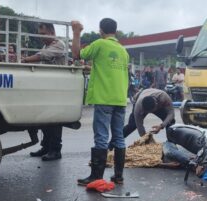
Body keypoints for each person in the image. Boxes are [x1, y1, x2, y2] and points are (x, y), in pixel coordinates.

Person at [71, 18, 129, 185]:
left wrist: (76, 33)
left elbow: (76, 55)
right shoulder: (123, 51)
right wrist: (92, 68)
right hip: (120, 99)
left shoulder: (100, 44)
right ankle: (118, 176)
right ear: (115, 31)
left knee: (101, 137)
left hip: (104, 98)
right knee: (118, 137)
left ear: (101, 31)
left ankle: (96, 176)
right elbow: (111, 70)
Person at [23, 23, 66, 161]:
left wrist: (25, 60)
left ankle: (55, 150)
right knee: (45, 119)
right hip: (48, 88)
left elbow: (42, 56)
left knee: (55, 120)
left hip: (58, 88)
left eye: (43, 34)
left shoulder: (59, 44)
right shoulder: (45, 46)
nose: (41, 37)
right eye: (39, 34)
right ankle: (46, 147)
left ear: (52, 31)